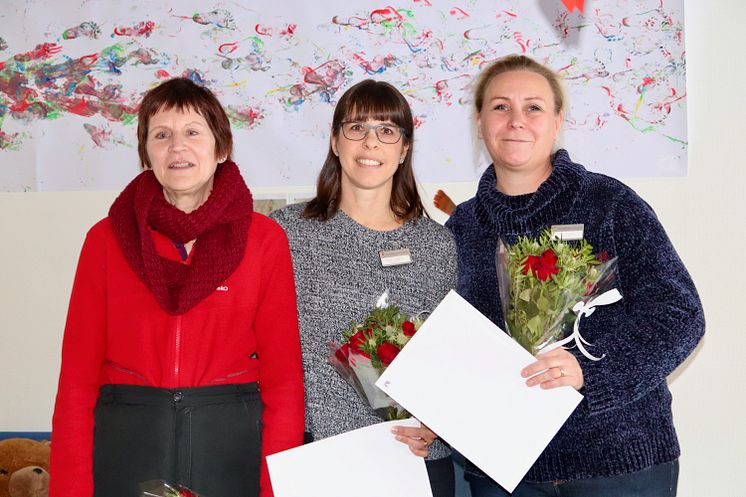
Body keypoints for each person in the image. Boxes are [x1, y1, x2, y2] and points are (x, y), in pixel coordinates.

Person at [446, 54, 704, 497]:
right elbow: (451, 345)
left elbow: (680, 314)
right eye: (501, 106)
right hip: (504, 470)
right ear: (480, 120)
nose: (516, 121)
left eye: (534, 107)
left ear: (557, 120)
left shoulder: (610, 204)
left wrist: (591, 370)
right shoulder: (463, 227)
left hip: (619, 463)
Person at [49, 78, 304, 497]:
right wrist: (70, 489)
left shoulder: (264, 240)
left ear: (221, 148)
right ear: (146, 152)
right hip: (127, 447)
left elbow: (284, 381)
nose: (177, 147)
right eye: (161, 135)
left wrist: (278, 488)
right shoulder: (105, 240)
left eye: (192, 133)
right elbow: (76, 379)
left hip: (229, 447)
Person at [270, 79, 457, 497]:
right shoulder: (286, 233)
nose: (370, 143)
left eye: (387, 131)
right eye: (356, 128)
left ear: (404, 148)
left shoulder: (437, 245)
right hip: (319, 460)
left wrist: (435, 424)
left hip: (414, 459)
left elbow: (451, 356)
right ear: (336, 141)